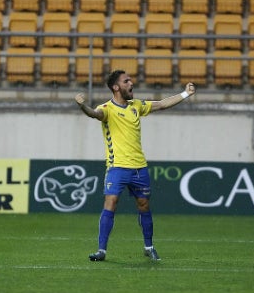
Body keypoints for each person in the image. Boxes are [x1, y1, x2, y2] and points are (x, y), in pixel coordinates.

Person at [75, 70, 196, 262]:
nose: (131, 83)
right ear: (116, 87)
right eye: (126, 81)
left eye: (130, 80)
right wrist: (83, 106)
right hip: (117, 168)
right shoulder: (106, 108)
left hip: (139, 168)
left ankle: (149, 247)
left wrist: (185, 94)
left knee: (144, 205)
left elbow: (162, 104)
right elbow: (94, 114)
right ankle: (101, 250)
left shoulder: (136, 106)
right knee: (111, 203)